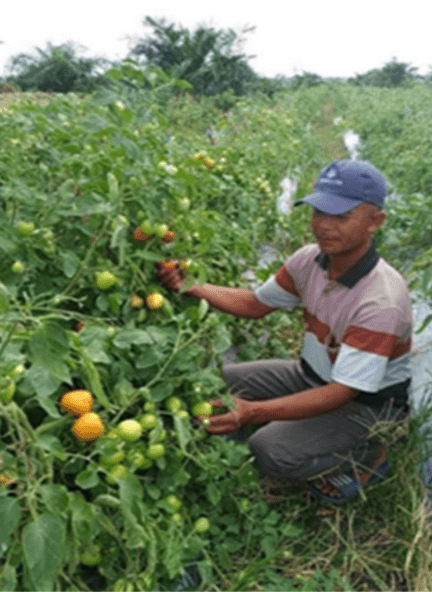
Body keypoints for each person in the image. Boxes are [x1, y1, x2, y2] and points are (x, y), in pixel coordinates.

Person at [156, 160, 412, 504]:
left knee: (269, 450)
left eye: (340, 217)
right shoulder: (309, 260)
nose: (323, 226)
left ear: (375, 222)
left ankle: (369, 453)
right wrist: (192, 285)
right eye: (318, 212)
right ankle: (293, 425)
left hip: (365, 405)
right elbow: (254, 304)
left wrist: (255, 411)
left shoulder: (381, 300)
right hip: (312, 375)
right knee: (216, 383)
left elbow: (341, 393)